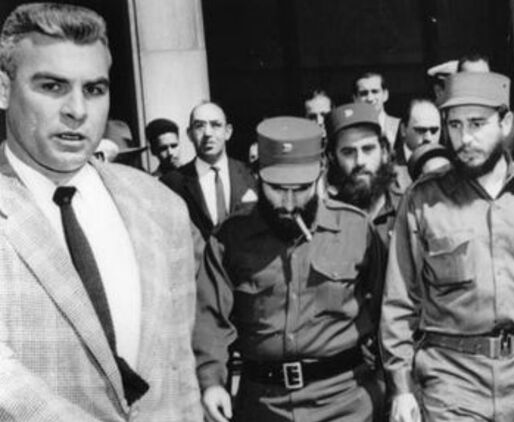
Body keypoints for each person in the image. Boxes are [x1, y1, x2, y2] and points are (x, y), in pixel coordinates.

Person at [0, 3, 202, 420]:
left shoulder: (161, 207)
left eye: (94, 89)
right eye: (52, 86)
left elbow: (180, 373)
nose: (77, 110)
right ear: (4, 89)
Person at [381, 71, 514, 422]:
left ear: (505, 123)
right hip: (453, 380)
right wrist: (401, 388)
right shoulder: (423, 201)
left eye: (477, 124)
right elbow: (400, 299)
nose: (465, 138)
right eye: (455, 125)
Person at [194, 116, 385, 422]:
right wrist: (211, 382)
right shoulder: (230, 239)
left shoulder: (357, 229)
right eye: (277, 188)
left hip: (345, 404)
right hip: (264, 407)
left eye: (301, 188)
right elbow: (210, 321)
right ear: (257, 175)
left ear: (321, 171)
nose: (289, 202)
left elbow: (388, 313)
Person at [161, 101, 256, 239]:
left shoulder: (251, 175)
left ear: (228, 132)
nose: (207, 133)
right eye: (199, 126)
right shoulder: (172, 183)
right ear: (189, 134)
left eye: (216, 125)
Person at [326, 102, 403, 247]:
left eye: (368, 149)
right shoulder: (325, 219)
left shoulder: (407, 209)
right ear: (333, 158)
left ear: (384, 152)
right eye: (348, 152)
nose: (360, 161)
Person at [353, 72, 400, 148]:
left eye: (375, 91)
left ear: (385, 95)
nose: (370, 98)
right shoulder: (350, 130)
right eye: (364, 93)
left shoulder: (399, 126)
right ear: (355, 98)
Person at [393, 98, 442, 168]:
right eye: (421, 130)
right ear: (403, 130)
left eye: (434, 130)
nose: (428, 138)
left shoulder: (447, 166)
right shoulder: (388, 163)